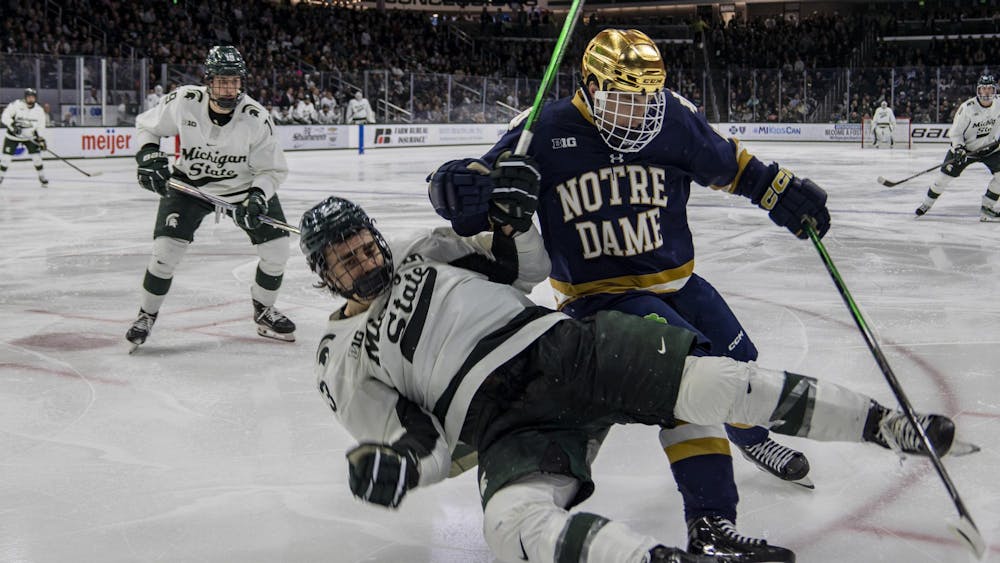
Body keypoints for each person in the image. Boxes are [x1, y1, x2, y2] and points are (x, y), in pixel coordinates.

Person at [300, 195, 956, 563]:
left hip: (560, 348)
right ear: (325, 276)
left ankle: (886, 424)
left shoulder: (430, 250)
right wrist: (400, 469)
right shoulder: (339, 355)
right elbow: (419, 440)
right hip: (504, 425)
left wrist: (511, 211)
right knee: (509, 527)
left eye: (363, 245)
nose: (361, 260)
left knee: (714, 383)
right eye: (344, 259)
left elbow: (532, 256)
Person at [430, 28, 832, 560]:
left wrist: (782, 192)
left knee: (742, 363)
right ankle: (710, 523)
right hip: (600, 298)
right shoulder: (546, 131)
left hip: (679, 283)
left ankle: (752, 438)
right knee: (698, 377)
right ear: (591, 86)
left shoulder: (671, 115)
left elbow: (732, 166)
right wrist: (457, 186)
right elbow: (480, 190)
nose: (640, 112)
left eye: (647, 98)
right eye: (625, 98)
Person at [125, 45, 296, 350]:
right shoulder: (183, 101)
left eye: (234, 81)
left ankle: (264, 310)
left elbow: (271, 170)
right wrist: (148, 155)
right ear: (209, 81)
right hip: (189, 186)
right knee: (165, 254)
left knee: (278, 251)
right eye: (222, 80)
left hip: (242, 189)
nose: (229, 88)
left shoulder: (256, 117)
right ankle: (146, 314)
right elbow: (146, 126)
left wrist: (257, 197)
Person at [915, 73, 1000, 221]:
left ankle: (987, 208)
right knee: (943, 179)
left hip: (990, 149)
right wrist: (959, 148)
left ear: (994, 91)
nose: (986, 92)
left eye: (990, 89)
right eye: (983, 89)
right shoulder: (967, 108)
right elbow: (955, 133)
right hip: (965, 151)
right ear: (978, 91)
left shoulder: (999, 103)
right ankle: (927, 204)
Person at [0, 88, 49, 188]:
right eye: (29, 97)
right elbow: (4, 116)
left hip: (30, 137)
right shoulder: (16, 105)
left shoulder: (39, 110)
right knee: (5, 159)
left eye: (33, 97)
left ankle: (42, 177)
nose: (31, 99)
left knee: (37, 158)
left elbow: (41, 126)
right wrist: (12, 126)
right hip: (12, 137)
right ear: (25, 97)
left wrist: (40, 138)